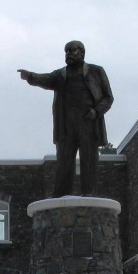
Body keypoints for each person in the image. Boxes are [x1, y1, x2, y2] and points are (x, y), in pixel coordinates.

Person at [18, 40, 113, 197]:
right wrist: (30, 76)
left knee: (89, 160)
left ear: (82, 52)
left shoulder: (96, 71)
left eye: (72, 50)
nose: (68, 54)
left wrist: (96, 112)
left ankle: (89, 193)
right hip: (66, 125)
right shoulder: (60, 74)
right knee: (64, 161)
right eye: (66, 51)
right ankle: (61, 194)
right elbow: (45, 79)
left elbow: (108, 98)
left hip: (88, 123)